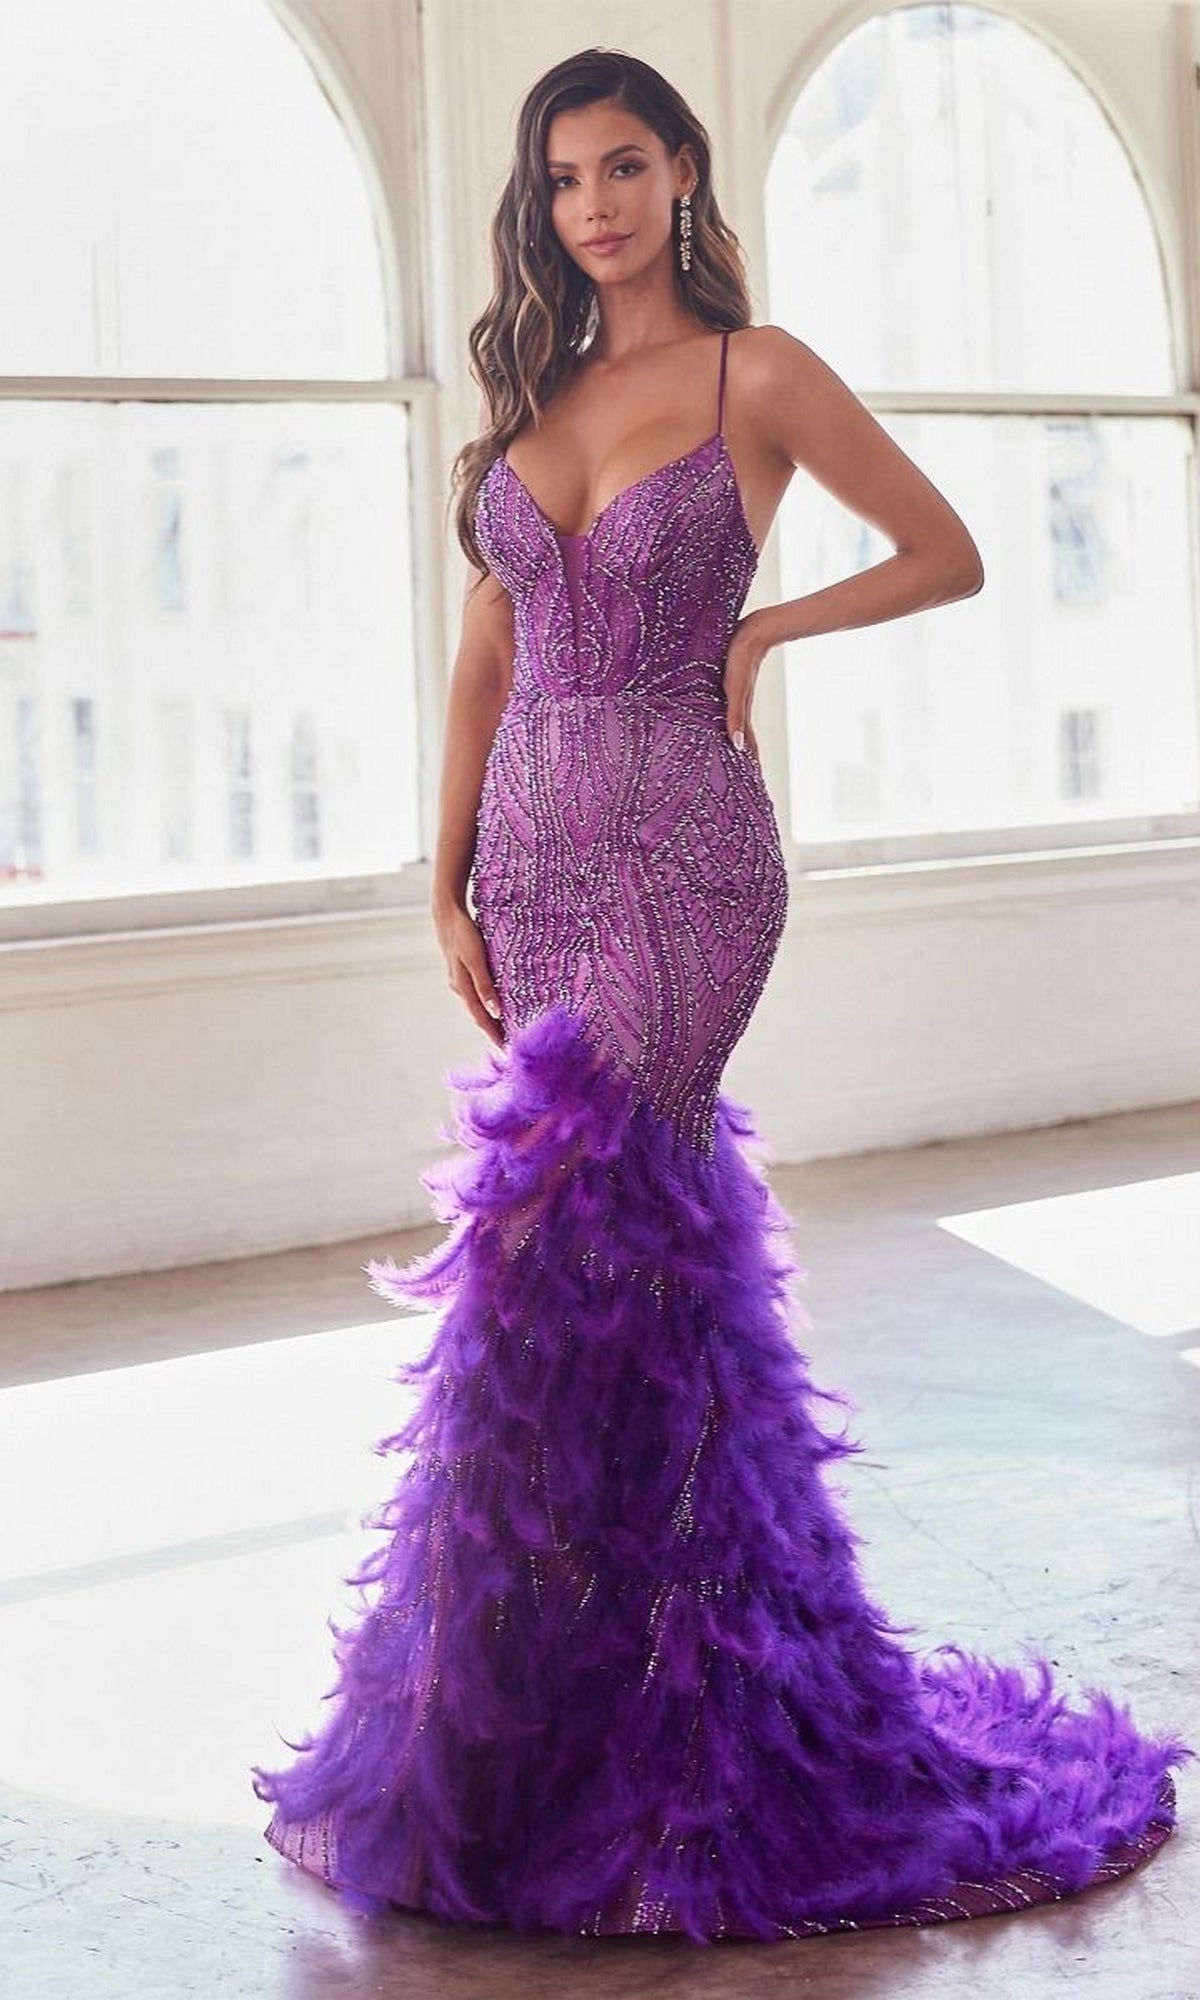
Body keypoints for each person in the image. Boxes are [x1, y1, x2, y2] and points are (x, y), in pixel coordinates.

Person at [252, 47, 1191, 1942]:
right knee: (577, 1285)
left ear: (683, 173)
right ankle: (544, 1734)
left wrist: (768, 623)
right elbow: (482, 663)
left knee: (596, 1239)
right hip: (529, 851)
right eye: (564, 178)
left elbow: (951, 548)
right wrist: (441, 876)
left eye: (624, 166)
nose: (593, 204)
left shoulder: (758, 373)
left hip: (688, 852)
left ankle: (711, 1741)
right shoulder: (535, 394)